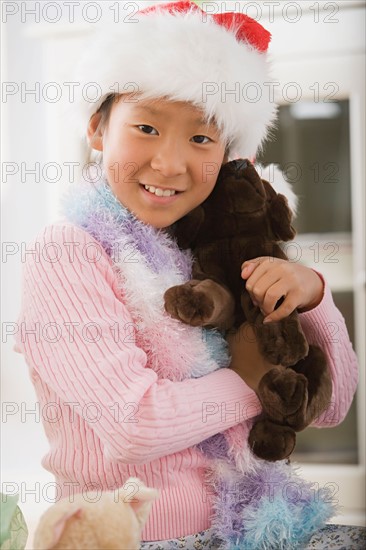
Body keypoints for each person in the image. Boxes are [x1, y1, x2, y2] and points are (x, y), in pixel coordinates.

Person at [15, 1, 362, 548]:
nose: (170, 163)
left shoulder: (210, 258)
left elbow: (332, 406)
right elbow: (134, 425)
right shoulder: (69, 253)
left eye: (201, 139)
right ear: (98, 129)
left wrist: (313, 296)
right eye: (147, 127)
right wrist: (251, 377)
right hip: (128, 538)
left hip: (252, 527)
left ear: (227, 157)